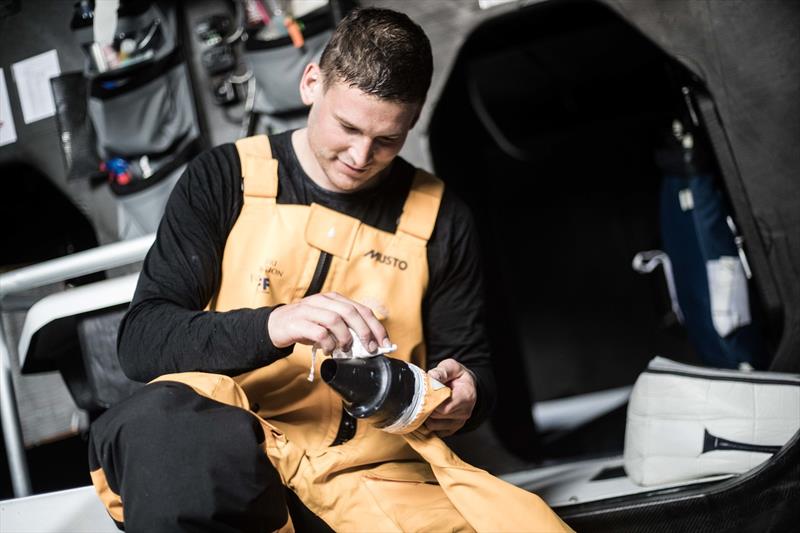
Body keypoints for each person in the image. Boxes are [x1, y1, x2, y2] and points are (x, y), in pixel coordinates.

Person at [88, 7, 570, 532]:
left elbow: (471, 360)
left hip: (374, 474)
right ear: (311, 82)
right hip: (231, 451)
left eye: (388, 139)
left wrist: (468, 393)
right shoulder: (223, 178)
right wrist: (276, 323)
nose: (362, 156)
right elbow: (141, 341)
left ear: (412, 119)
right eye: (348, 127)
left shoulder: (442, 217)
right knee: (161, 426)